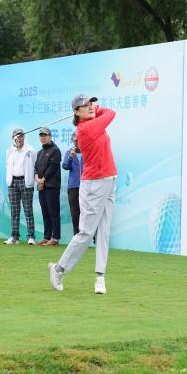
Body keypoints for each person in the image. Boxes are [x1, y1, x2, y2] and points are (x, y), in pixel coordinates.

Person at [48, 94, 117, 295]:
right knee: (86, 233)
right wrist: (98, 110)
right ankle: (58, 269)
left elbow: (103, 113)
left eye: (91, 103)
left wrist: (93, 109)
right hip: (94, 185)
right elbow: (111, 113)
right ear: (76, 112)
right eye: (85, 105)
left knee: (104, 232)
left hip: (110, 179)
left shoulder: (92, 121)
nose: (91, 106)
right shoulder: (85, 129)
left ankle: (100, 278)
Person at [4, 128, 36, 245]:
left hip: (25, 182)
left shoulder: (30, 150)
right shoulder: (9, 151)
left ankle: (31, 237)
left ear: (24, 137)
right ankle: (15, 237)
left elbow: (35, 165)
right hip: (13, 182)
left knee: (28, 210)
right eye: (17, 137)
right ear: (13, 138)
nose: (19, 138)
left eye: (21, 136)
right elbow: (8, 165)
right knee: (14, 211)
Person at [34, 127, 62, 246]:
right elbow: (36, 167)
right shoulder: (40, 152)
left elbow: (53, 167)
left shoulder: (55, 150)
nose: (43, 137)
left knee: (53, 211)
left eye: (45, 135)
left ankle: (55, 238)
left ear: (50, 136)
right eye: (41, 135)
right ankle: (47, 236)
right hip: (41, 186)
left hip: (52, 186)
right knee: (45, 212)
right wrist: (37, 179)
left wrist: (43, 179)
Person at [62, 132, 83, 236]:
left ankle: (92, 237)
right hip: (73, 187)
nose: (77, 142)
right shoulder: (69, 152)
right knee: (75, 213)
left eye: (79, 140)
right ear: (72, 141)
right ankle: (77, 236)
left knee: (87, 213)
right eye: (75, 140)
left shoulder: (87, 151)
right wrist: (70, 157)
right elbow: (65, 166)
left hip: (86, 186)